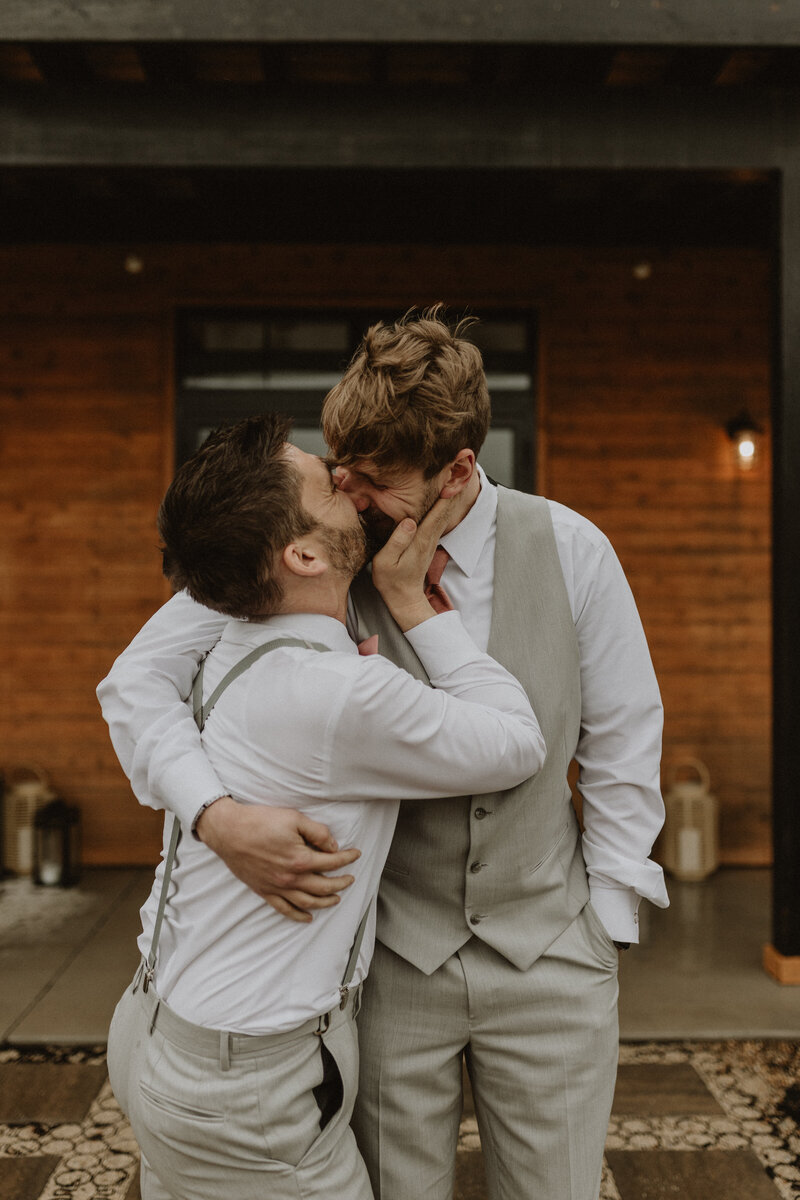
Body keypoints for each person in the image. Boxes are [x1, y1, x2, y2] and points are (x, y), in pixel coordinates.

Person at [99, 309, 669, 1200]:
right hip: (394, 968)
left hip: (555, 955)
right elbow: (135, 684)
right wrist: (215, 815)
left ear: (458, 470)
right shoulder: (308, 552)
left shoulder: (571, 548)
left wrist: (608, 920)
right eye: (342, 471)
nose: (351, 491)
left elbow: (626, 735)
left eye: (375, 479)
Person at [104, 411, 546, 1200]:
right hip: (248, 1087)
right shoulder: (341, 692)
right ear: (302, 552)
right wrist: (412, 604)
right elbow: (517, 742)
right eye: (324, 483)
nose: (345, 480)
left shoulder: (235, 613)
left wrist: (207, 811)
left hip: (158, 1023)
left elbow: (137, 681)